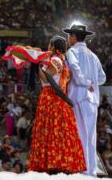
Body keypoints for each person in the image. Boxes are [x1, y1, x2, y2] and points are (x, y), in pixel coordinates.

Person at [27, 36, 86, 174]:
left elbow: (45, 77)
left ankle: (52, 164)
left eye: (49, 44)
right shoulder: (63, 61)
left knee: (50, 131)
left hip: (51, 99)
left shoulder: (56, 60)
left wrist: (35, 64)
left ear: (53, 47)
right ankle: (60, 162)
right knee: (59, 132)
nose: (48, 47)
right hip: (58, 100)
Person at [64, 23, 106, 177]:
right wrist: (93, 82)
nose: (68, 38)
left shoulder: (72, 51)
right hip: (92, 101)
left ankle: (82, 172)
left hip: (79, 98)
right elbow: (102, 78)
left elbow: (74, 68)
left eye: (69, 35)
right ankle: (91, 172)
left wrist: (85, 82)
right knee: (90, 138)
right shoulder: (93, 55)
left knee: (80, 136)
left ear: (74, 36)